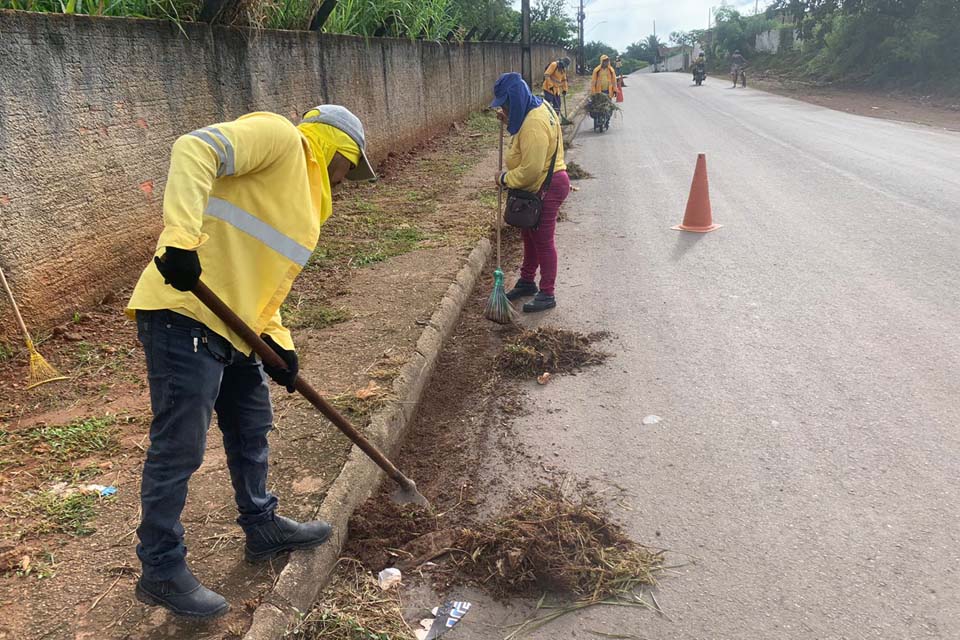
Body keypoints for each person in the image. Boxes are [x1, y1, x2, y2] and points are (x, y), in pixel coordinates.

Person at [125, 105, 376, 619]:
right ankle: (160, 569)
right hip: (185, 312)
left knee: (251, 425)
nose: (348, 179)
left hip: (236, 325)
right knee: (180, 447)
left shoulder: (304, 203)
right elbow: (194, 147)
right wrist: (180, 239)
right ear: (338, 149)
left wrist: (280, 342)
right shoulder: (281, 138)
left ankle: (262, 526)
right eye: (351, 166)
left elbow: (263, 275)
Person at [491, 73, 570, 313]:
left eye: (506, 104)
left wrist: (504, 179)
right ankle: (527, 282)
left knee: (543, 241)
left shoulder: (533, 125)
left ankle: (547, 293)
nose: (504, 108)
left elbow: (530, 171)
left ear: (515, 100)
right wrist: (508, 122)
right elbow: (523, 146)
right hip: (539, 185)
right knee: (530, 236)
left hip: (546, 186)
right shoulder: (536, 106)